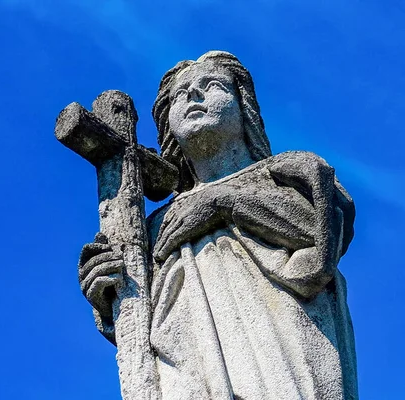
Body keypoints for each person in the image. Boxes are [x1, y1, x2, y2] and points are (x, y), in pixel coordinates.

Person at [78, 51, 357, 399]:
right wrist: (109, 292)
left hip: (280, 359)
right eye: (181, 95)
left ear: (244, 108)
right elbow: (138, 320)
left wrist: (221, 203)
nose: (194, 96)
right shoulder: (153, 229)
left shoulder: (287, 175)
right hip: (188, 373)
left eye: (211, 86)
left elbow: (319, 235)